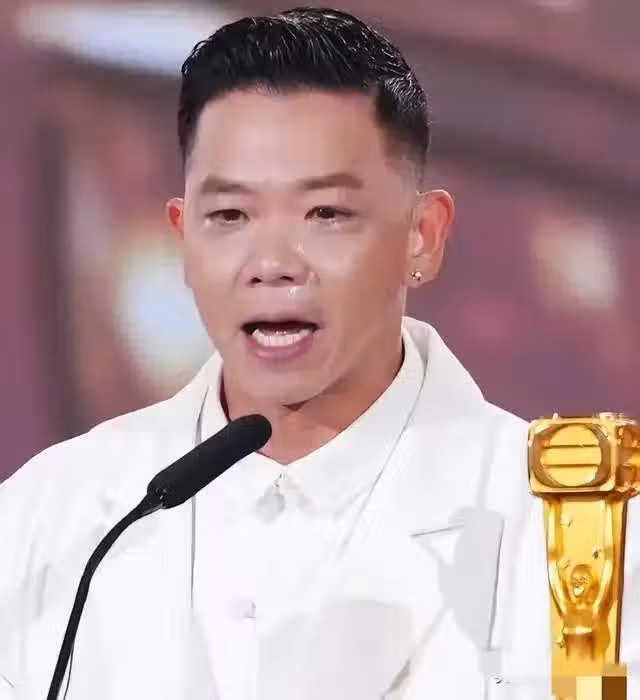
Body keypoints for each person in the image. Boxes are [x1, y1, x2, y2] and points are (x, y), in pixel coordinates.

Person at [1, 7, 639, 700]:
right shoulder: (49, 518)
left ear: (423, 235)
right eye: (230, 216)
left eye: (326, 214)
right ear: (183, 238)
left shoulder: (582, 535)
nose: (272, 263)